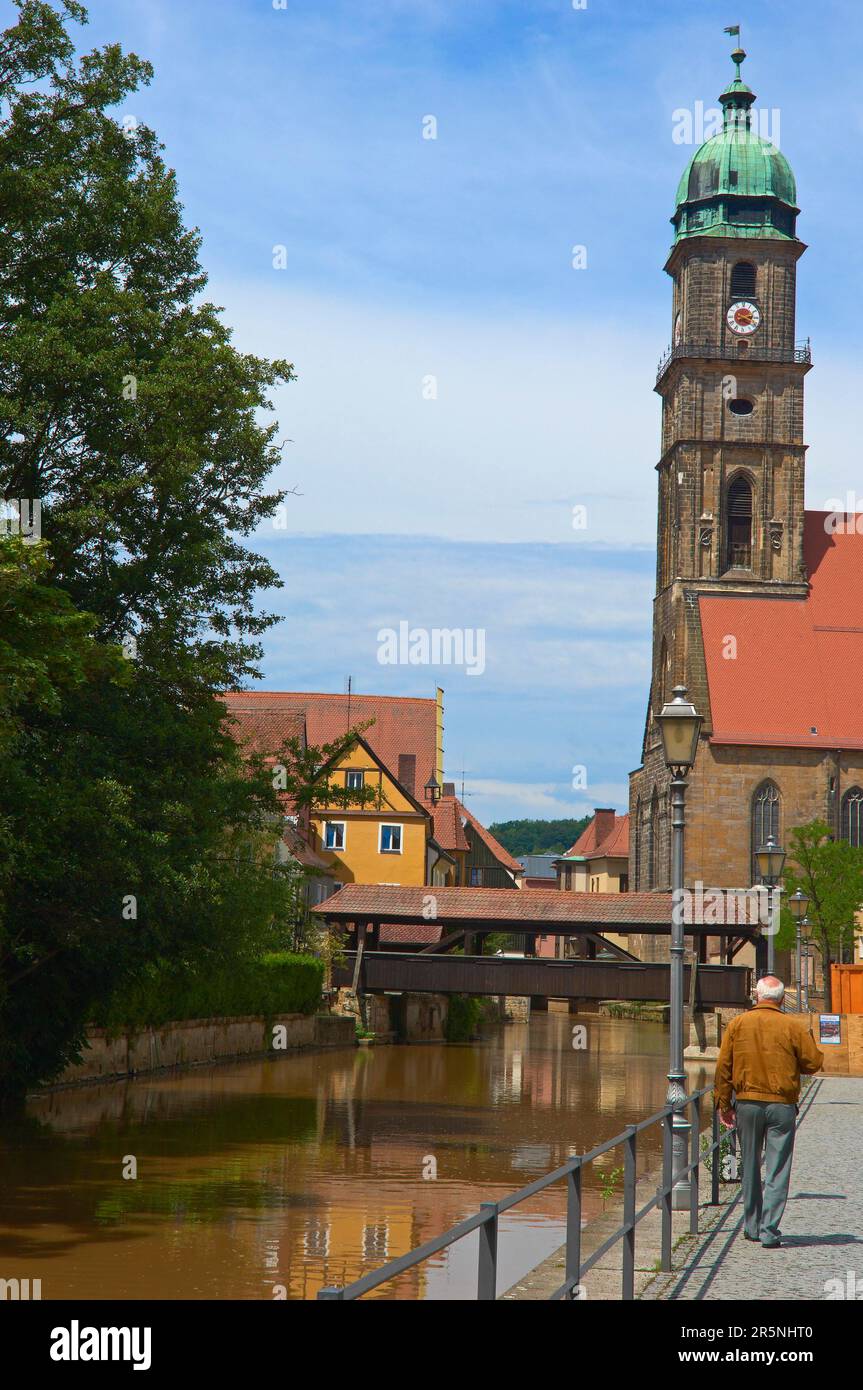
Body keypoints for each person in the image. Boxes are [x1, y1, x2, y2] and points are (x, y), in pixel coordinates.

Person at [714, 975, 823, 1248]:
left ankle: (751, 1226)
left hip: (748, 1103)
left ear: (757, 995)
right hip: (782, 1105)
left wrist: (723, 1104)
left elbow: (723, 1068)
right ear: (782, 999)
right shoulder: (792, 1026)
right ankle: (769, 1230)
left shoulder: (738, 1024)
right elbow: (812, 1063)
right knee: (778, 1168)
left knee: (750, 1165)